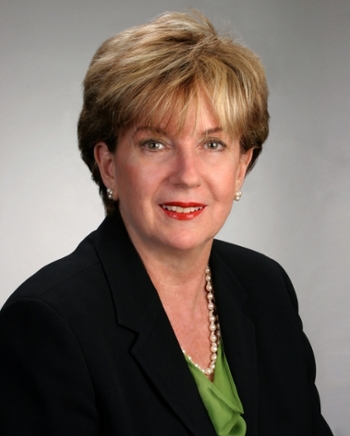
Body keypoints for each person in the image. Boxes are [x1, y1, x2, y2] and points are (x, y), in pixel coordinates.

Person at [0, 10, 333, 436]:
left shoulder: (266, 287)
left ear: (240, 167)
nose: (187, 174)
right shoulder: (49, 325)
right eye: (154, 143)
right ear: (109, 167)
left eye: (213, 143)